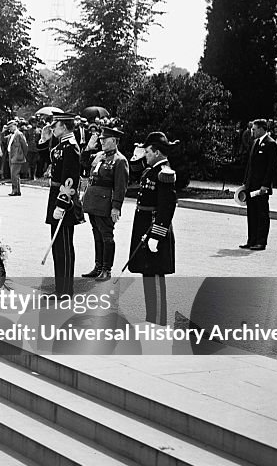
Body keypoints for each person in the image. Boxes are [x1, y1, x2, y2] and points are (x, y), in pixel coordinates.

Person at [128, 132, 178, 325]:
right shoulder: (152, 168)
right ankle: (152, 319)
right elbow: (134, 168)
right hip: (145, 228)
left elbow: (167, 207)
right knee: (147, 273)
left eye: (148, 151)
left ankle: (158, 322)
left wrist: (157, 235)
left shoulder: (164, 172)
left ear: (157, 152)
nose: (145, 155)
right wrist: (137, 153)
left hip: (154, 230)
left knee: (155, 275)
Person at [81, 127, 129, 281]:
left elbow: (120, 187)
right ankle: (98, 266)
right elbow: (82, 162)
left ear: (114, 141)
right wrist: (88, 148)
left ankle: (107, 269)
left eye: (104, 140)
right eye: (101, 139)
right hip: (93, 202)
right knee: (97, 234)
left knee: (106, 236)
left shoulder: (120, 160)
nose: (101, 142)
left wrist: (116, 207)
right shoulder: (100, 156)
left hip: (105, 204)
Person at [45, 114, 83, 296]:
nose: (53, 129)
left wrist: (61, 205)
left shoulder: (71, 148)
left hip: (64, 201)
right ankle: (60, 288)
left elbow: (70, 179)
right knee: (57, 247)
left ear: (65, 127)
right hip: (55, 195)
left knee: (65, 248)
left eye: (56, 126)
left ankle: (66, 290)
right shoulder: (61, 146)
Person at [241, 118, 277, 251]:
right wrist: (245, 182)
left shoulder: (270, 144)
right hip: (252, 185)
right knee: (252, 213)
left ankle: (261, 242)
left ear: (262, 129)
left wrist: (265, 185)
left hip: (261, 187)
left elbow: (271, 167)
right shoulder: (255, 143)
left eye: (254, 129)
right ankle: (251, 240)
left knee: (262, 213)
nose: (252, 131)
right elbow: (250, 166)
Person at [6, 121, 29, 196]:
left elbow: (25, 146)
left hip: (17, 156)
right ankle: (17, 190)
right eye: (9, 127)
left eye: (11, 127)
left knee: (14, 174)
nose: (10, 129)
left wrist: (22, 155)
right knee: (15, 175)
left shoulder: (19, 134)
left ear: (15, 126)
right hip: (11, 156)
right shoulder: (11, 135)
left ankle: (15, 190)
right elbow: (3, 139)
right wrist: (2, 132)